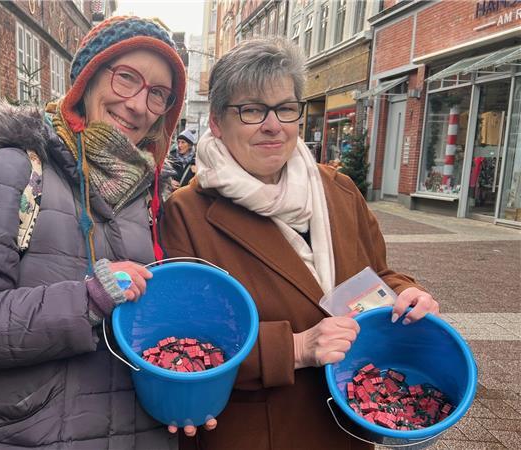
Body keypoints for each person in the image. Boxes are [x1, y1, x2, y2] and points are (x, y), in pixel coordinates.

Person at [0, 16, 215, 449]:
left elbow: (152, 328)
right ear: (89, 78)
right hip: (37, 435)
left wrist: (182, 389)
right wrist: (87, 299)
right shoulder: (21, 169)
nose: (138, 104)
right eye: (126, 78)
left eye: (158, 94)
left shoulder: (155, 196)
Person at [161, 37, 440, 450]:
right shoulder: (188, 212)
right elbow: (181, 343)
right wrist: (295, 349)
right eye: (252, 110)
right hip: (256, 431)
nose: (273, 125)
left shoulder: (338, 190)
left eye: (285, 108)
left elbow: (376, 273)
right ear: (217, 123)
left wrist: (406, 293)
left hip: (346, 424)